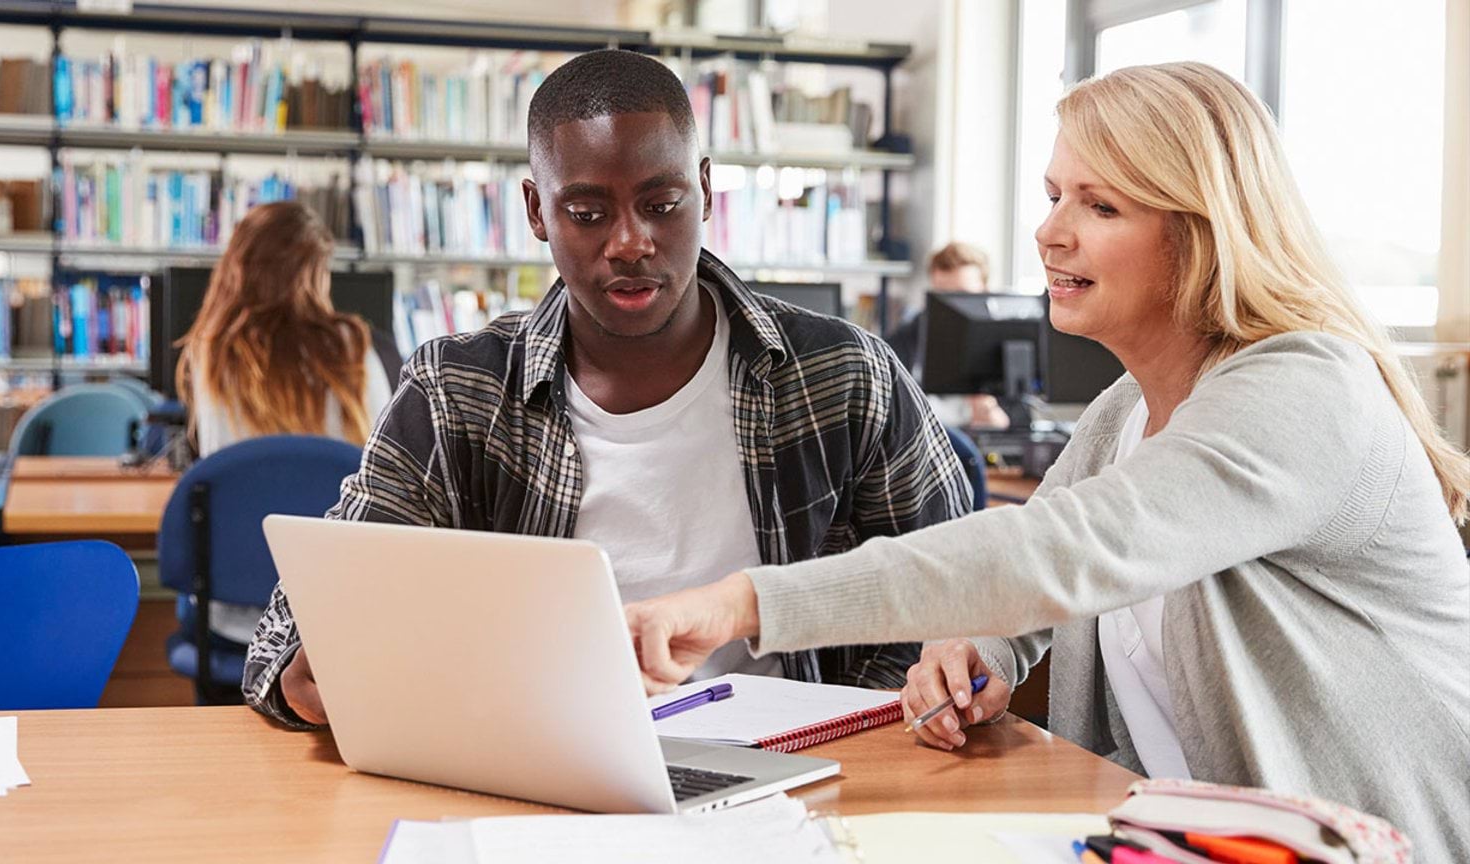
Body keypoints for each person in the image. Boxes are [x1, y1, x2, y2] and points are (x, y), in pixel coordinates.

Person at [624, 62, 1470, 860]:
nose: (1049, 232)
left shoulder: (1304, 390)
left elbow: (1062, 553)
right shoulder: (1124, 413)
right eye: (1055, 194)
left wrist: (744, 603)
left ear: (1205, 234)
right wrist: (982, 651)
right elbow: (1030, 572)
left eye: (1101, 207)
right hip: (1178, 837)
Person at [241, 49, 971, 729]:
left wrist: (851, 722)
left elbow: (958, 589)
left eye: (662, 205)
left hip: (803, 767)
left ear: (708, 191)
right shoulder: (457, 389)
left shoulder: (844, 375)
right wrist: (318, 670)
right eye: (587, 215)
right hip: (533, 759)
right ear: (536, 211)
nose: (629, 243)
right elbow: (288, 633)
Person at [175, 200, 394, 645]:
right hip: (336, 611)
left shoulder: (210, 353)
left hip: (233, 614)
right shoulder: (355, 348)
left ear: (237, 268)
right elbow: (387, 472)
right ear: (315, 273)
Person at [887, 242, 1012, 430]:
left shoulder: (1004, 340)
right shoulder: (906, 339)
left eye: (962, 295)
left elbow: (1022, 416)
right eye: (943, 297)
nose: (953, 308)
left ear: (985, 290)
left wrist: (995, 415)